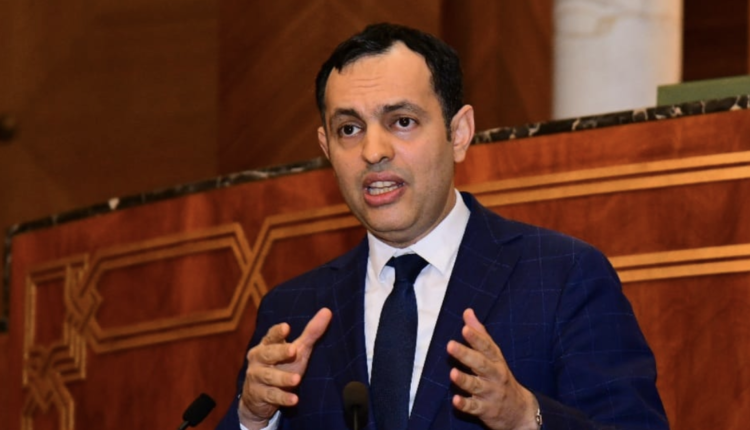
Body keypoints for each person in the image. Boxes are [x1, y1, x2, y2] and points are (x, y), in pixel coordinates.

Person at [216, 23, 668, 430]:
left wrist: (523, 416)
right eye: (349, 129)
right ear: (326, 148)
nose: (373, 151)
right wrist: (252, 419)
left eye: (402, 122)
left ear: (459, 134)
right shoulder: (292, 312)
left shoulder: (563, 276)